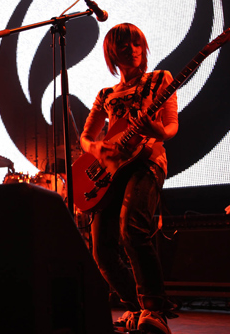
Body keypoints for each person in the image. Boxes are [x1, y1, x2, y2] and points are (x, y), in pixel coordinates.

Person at [80, 23, 178, 334]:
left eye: (136, 44)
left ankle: (154, 309)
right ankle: (136, 309)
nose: (132, 50)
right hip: (111, 172)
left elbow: (171, 126)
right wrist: (97, 148)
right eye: (123, 45)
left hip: (147, 161)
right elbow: (85, 137)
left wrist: (158, 131)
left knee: (132, 229)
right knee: (101, 249)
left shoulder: (159, 80)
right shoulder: (106, 95)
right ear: (112, 53)